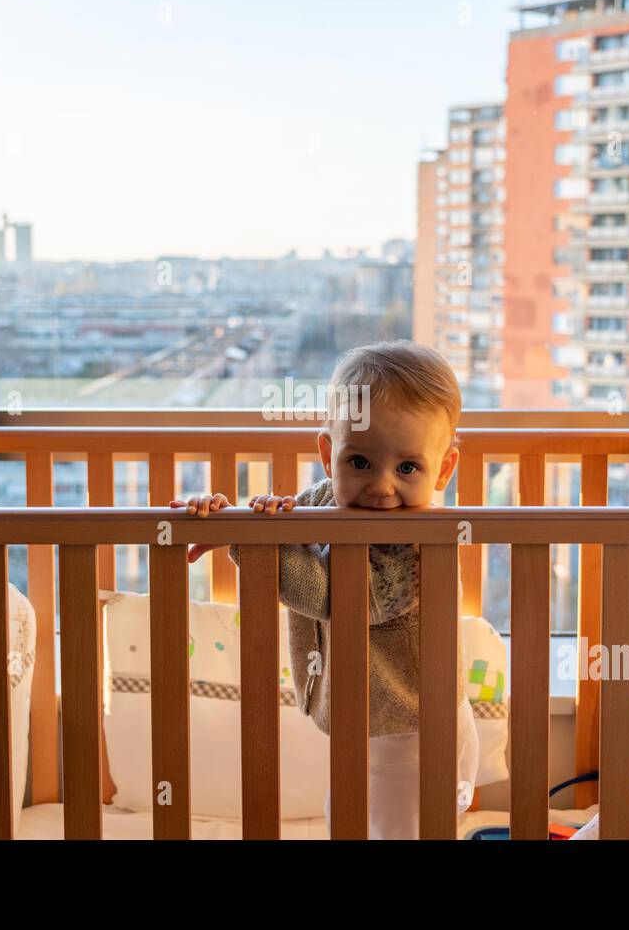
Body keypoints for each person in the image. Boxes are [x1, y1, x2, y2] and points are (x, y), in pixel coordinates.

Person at [171, 339, 479, 839]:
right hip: (369, 717)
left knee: (397, 829)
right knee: (353, 817)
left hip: (416, 726)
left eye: (407, 468)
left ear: (443, 469)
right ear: (327, 452)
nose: (381, 486)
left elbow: (345, 598)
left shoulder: (419, 541)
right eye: (359, 462)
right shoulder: (325, 500)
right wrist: (232, 516)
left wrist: (248, 545)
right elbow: (281, 523)